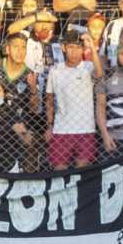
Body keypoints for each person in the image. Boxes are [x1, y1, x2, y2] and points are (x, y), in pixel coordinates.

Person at [45, 29, 102, 170]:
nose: (74, 51)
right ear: (64, 48)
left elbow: (99, 74)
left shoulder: (88, 67)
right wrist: (49, 126)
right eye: (71, 47)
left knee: (82, 173)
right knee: (59, 172)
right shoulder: (55, 70)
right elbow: (49, 100)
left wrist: (92, 48)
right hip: (61, 129)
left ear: (82, 49)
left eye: (78, 47)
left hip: (85, 129)